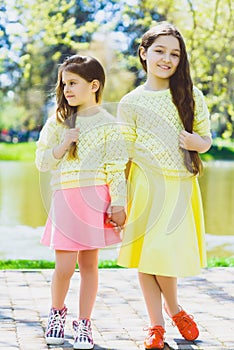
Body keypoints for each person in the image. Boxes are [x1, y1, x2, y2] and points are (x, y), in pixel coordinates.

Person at [117, 22, 212, 349]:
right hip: (144, 188)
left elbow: (207, 139)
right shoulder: (131, 102)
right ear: (144, 53)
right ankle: (157, 325)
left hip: (179, 186)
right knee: (149, 256)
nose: (166, 59)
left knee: (163, 255)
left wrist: (196, 142)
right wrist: (118, 199)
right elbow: (121, 154)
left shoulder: (191, 95)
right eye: (159, 51)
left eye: (175, 53)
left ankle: (172, 311)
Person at [35, 55, 127, 349]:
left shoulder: (109, 125)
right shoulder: (57, 122)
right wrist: (63, 145)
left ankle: (84, 323)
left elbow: (115, 169)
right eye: (64, 85)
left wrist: (119, 204)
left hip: (95, 200)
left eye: (73, 83)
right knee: (64, 266)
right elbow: (41, 162)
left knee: (90, 265)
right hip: (66, 199)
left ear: (94, 85)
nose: (67, 90)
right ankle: (56, 313)